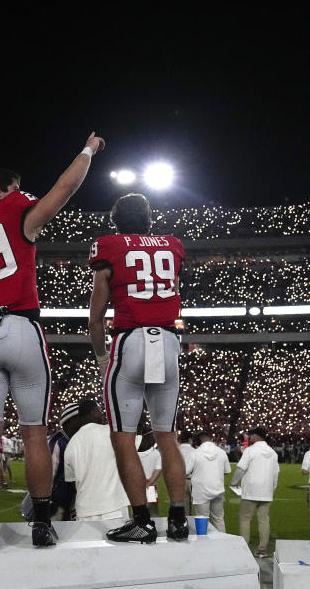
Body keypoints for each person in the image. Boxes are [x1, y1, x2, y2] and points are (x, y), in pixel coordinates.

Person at [0, 132, 105, 552]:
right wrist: (86, 150)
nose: (21, 191)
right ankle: (40, 525)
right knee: (34, 433)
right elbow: (63, 190)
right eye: (14, 187)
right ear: (1, 192)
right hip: (21, 326)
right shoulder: (14, 210)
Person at [88, 192, 189, 544]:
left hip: (129, 339)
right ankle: (178, 519)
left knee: (123, 438)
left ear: (116, 221)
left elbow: (96, 319)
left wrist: (103, 358)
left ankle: (142, 521)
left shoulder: (108, 246)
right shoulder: (172, 244)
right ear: (148, 218)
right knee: (167, 437)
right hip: (168, 341)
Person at [63, 401, 130, 521]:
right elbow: (143, 444)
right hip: (113, 507)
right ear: (93, 412)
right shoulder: (110, 432)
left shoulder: (71, 444)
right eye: (99, 410)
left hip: (83, 511)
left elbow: (72, 484)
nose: (102, 414)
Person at [231, 427, 279, 557]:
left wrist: (234, 482)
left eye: (252, 435)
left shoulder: (250, 451)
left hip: (251, 490)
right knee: (264, 520)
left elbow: (241, 468)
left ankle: (244, 549)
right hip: (266, 491)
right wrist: (271, 489)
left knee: (245, 518)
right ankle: (262, 550)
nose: (250, 437)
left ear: (257, 437)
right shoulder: (273, 453)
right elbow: (276, 474)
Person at [190, 431, 230, 533]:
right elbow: (227, 471)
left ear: (198, 441)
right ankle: (222, 543)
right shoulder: (221, 452)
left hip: (201, 491)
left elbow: (185, 471)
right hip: (217, 489)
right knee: (219, 519)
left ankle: (204, 546)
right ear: (211, 439)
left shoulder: (195, 453)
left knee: (202, 520)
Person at [136, 431, 162, 516]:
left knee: (138, 511)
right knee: (153, 513)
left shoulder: (134, 453)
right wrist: (149, 483)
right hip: (151, 486)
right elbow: (158, 469)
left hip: (137, 486)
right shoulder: (156, 453)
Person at [178, 431, 196, 512]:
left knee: (184, 510)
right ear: (190, 439)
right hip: (193, 481)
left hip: (178, 481)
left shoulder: (175, 450)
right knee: (197, 510)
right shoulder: (195, 451)